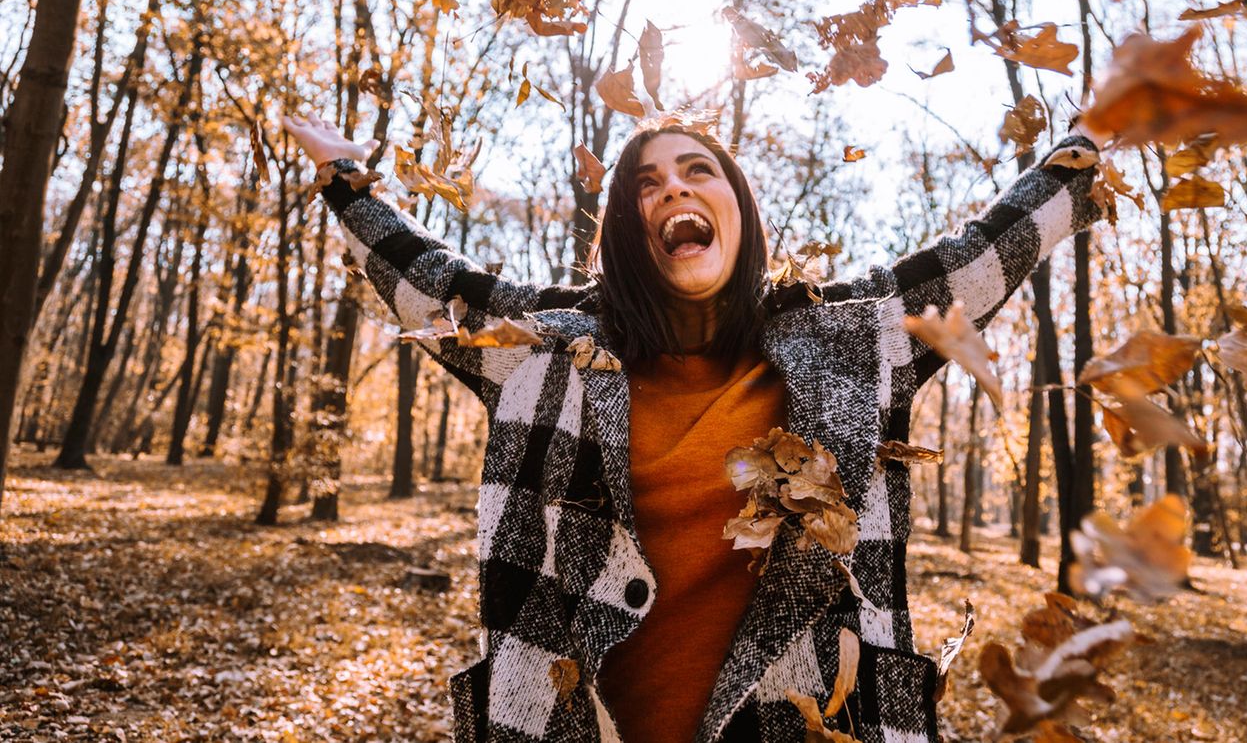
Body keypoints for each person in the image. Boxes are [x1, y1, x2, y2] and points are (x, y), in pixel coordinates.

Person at [282, 111, 1103, 743]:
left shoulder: (851, 341)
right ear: (627, 234)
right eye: (646, 182)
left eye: (697, 170)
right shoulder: (547, 347)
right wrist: (343, 177)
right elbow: (432, 281)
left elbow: (977, 255)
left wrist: (1079, 154)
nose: (672, 188)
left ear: (739, 210)